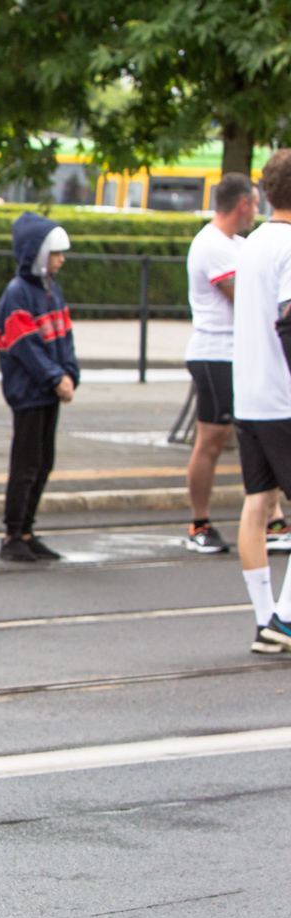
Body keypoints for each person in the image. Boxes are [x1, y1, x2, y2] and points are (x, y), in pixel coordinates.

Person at [182, 173, 279, 554]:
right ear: (242, 204)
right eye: (254, 204)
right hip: (215, 354)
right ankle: (199, 523)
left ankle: (272, 520)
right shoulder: (211, 245)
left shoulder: (240, 244)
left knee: (257, 433)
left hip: (238, 353)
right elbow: (246, 297)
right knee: (211, 440)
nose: (257, 210)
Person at [228, 149, 291, 655]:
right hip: (283, 397)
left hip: (247, 394)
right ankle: (285, 621)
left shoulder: (248, 245)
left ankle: (264, 617)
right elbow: (289, 320)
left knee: (257, 503)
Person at [0, 213, 79, 562]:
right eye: (56, 253)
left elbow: (65, 336)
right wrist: (56, 377)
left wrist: (70, 372)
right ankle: (13, 532)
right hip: (29, 391)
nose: (62, 259)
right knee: (26, 463)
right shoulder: (18, 294)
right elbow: (24, 345)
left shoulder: (50, 290)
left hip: (47, 389)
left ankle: (26, 529)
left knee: (43, 461)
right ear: (39, 254)